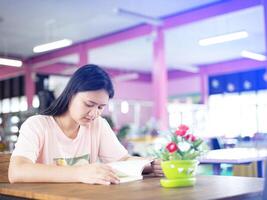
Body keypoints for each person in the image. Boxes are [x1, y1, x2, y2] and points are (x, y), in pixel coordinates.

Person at [8, 64, 163, 185]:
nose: (94, 113)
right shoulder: (37, 125)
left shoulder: (98, 125)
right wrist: (79, 173)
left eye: (100, 107)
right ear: (70, 95)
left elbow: (122, 161)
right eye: (89, 104)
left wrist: (152, 164)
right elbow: (17, 171)